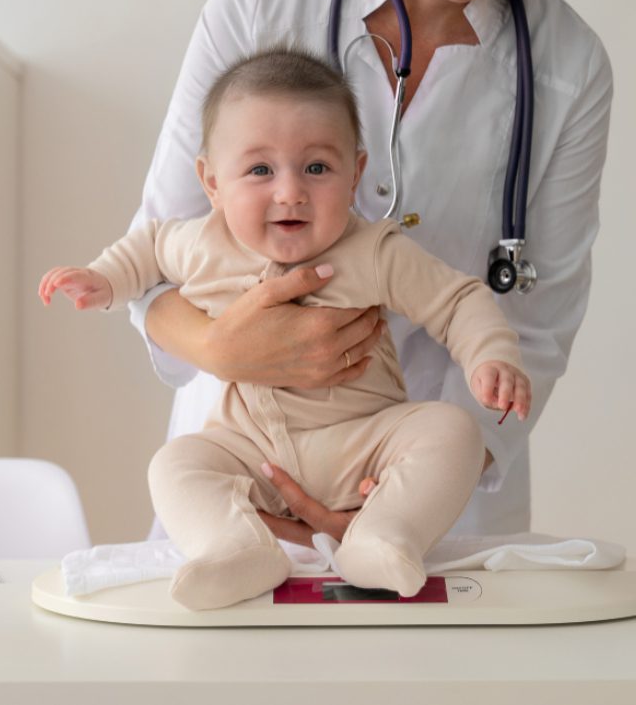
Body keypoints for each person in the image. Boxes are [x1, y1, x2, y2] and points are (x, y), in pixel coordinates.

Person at [40, 47, 531, 609]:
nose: (290, 191)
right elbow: (146, 248)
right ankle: (238, 548)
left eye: (317, 167)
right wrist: (103, 279)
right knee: (176, 464)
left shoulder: (375, 251)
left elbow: (459, 299)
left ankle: (383, 535)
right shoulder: (201, 243)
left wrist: (491, 356)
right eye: (259, 170)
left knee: (453, 431)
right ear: (211, 182)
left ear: (356, 174)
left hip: (363, 444)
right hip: (252, 452)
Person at [122, 0, 613, 543]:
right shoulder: (261, 1)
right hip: (245, 472)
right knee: (223, 566)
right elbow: (157, 255)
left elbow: (532, 327)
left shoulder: (569, 63)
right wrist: (218, 348)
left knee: (407, 586)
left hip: (427, 507)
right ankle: (233, 552)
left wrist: (398, 504)